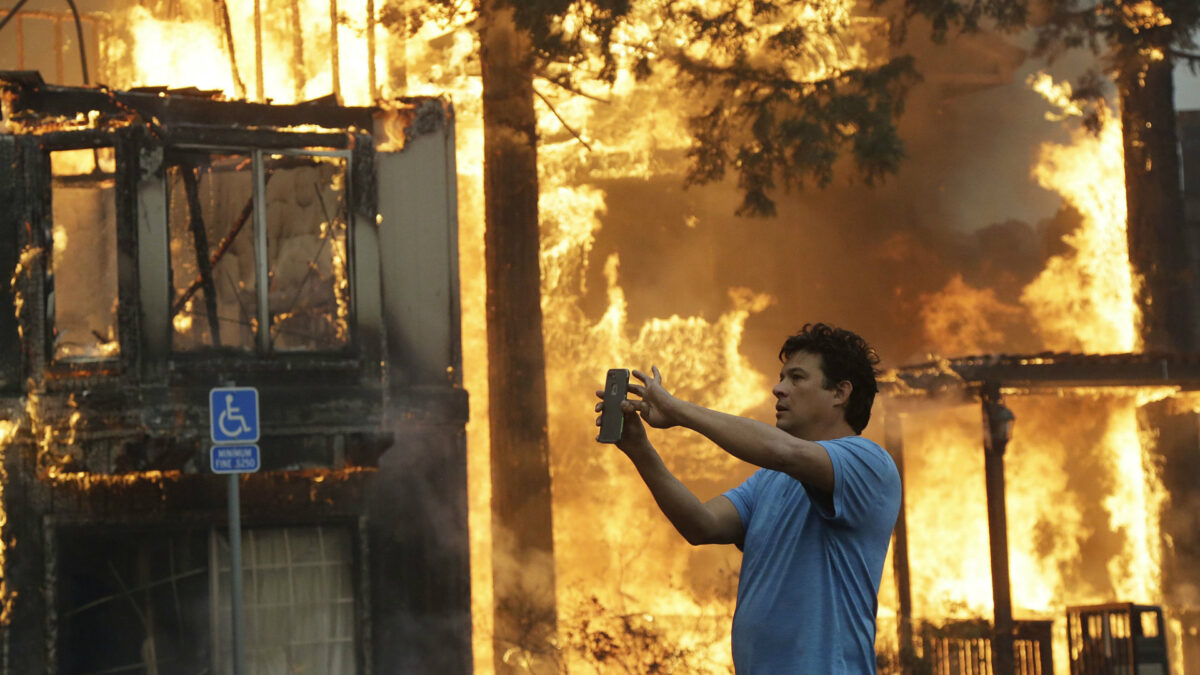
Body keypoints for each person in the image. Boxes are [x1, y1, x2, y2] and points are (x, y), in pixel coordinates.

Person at [595, 323, 901, 673]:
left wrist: (677, 410)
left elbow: (783, 452)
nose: (778, 389)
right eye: (781, 378)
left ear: (840, 393)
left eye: (796, 378)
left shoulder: (868, 462)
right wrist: (639, 449)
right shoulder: (771, 479)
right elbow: (701, 525)